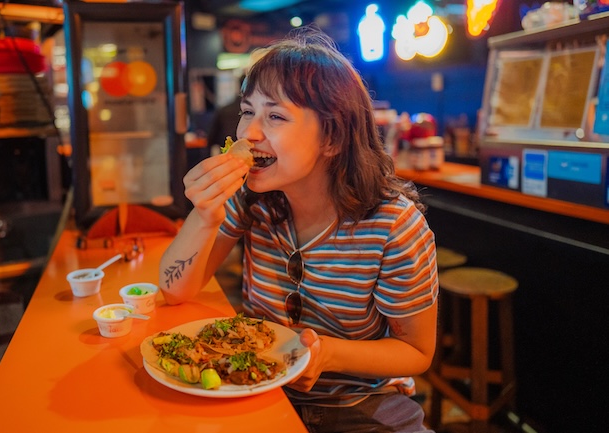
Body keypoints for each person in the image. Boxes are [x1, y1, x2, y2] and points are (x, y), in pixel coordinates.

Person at [159, 25, 438, 433]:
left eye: (274, 115)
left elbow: (416, 351)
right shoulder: (250, 198)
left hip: (363, 407)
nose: (249, 133)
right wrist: (204, 214)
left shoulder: (393, 226)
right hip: (262, 396)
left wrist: (327, 355)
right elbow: (173, 289)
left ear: (332, 137)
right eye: (247, 111)